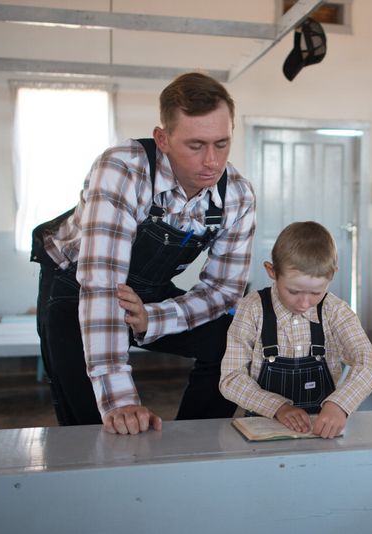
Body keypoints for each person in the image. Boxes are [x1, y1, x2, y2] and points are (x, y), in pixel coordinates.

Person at [33, 72, 256, 435]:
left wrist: (155, 317)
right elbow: (102, 285)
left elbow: (224, 291)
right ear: (163, 139)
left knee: (235, 340)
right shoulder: (123, 169)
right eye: (196, 145)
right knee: (91, 426)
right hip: (75, 287)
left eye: (222, 143)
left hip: (147, 292)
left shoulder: (238, 196)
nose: (212, 161)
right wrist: (120, 400)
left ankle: (191, 448)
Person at [219, 221, 372, 439]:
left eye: (316, 293)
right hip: (264, 428)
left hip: (321, 431)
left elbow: (369, 363)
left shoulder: (335, 312)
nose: (305, 303)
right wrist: (277, 407)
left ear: (332, 274)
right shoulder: (252, 310)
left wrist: (340, 405)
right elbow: (231, 379)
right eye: (294, 291)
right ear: (272, 271)